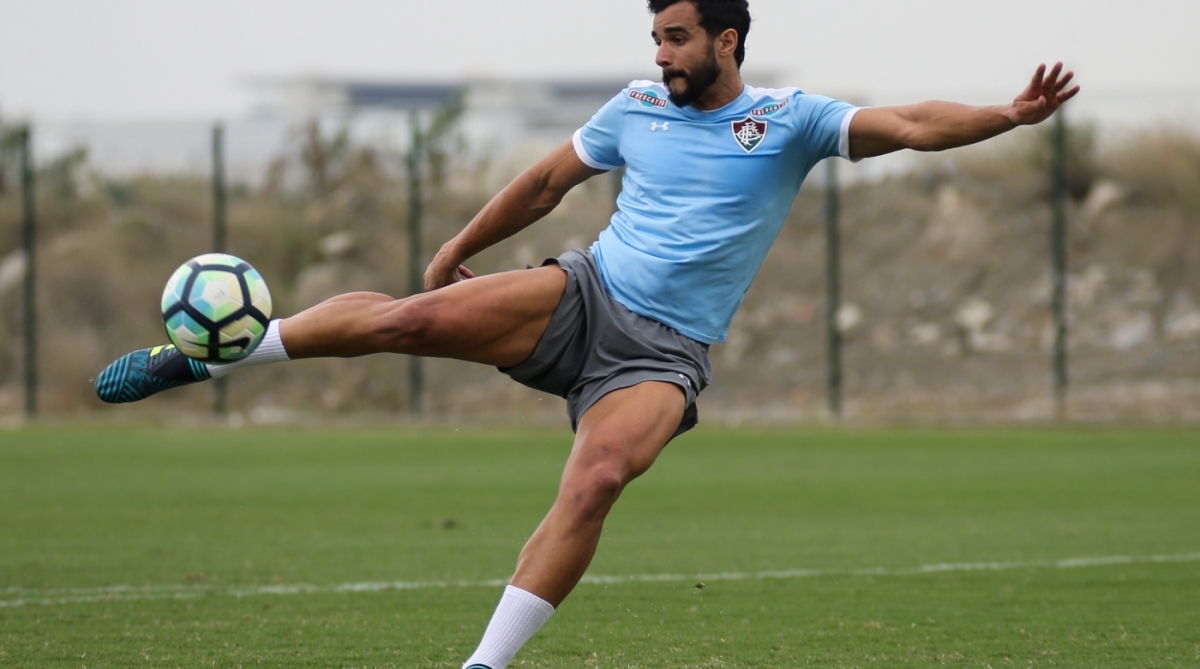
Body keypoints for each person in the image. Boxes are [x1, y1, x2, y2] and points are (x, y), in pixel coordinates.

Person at [95, 0, 1079, 666]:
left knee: (597, 482)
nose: (661, 54)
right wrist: (454, 246)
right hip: (582, 292)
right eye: (655, 36)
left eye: (678, 37)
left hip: (664, 352)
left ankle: (482, 664)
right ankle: (210, 356)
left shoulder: (791, 119)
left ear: (730, 39)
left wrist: (1008, 112)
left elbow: (909, 123)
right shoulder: (637, 105)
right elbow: (543, 185)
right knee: (408, 317)